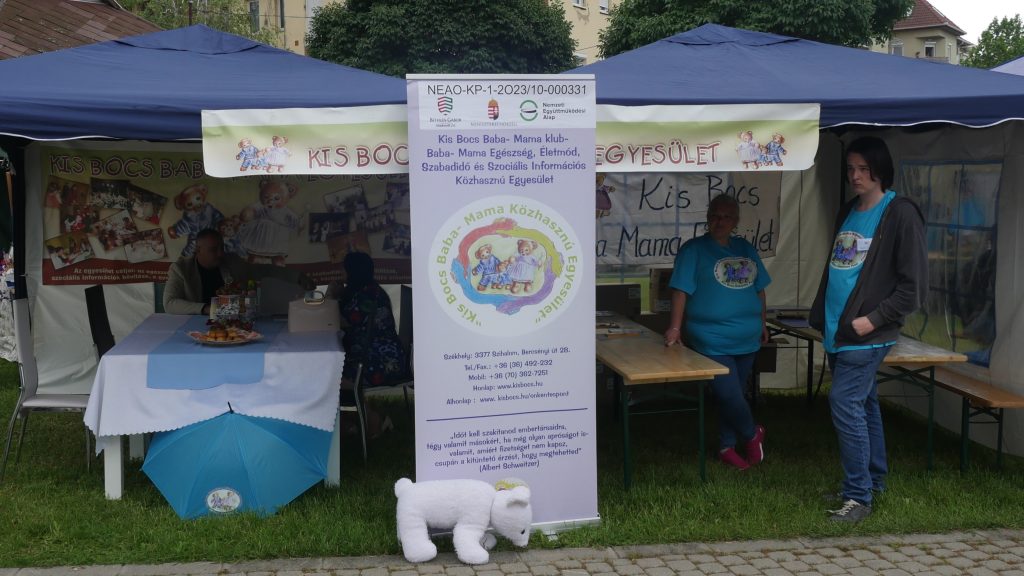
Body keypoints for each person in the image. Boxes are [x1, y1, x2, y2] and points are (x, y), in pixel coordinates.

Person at [809, 136, 927, 523]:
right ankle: (872, 483)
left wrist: (872, 320)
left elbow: (912, 287)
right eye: (850, 169)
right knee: (865, 405)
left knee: (844, 403)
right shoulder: (848, 210)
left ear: (880, 169)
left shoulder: (900, 213)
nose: (855, 176)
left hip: (867, 334)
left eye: (863, 168)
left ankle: (858, 497)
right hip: (838, 330)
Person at [663, 193, 771, 471]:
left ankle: (726, 446)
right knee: (728, 394)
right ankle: (752, 434)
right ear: (707, 217)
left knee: (733, 395)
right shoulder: (693, 250)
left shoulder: (745, 248)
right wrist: (675, 327)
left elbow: (759, 290)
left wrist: (762, 323)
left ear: (736, 221)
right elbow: (680, 291)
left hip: (747, 337)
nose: (719, 221)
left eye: (726, 217)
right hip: (711, 338)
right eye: (714, 215)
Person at [334, 252, 406, 437]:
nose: (341, 272)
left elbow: (338, 321)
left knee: (330, 374)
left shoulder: (366, 295)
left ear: (353, 271)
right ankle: (350, 421)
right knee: (329, 370)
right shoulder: (366, 290)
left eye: (343, 269)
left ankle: (373, 420)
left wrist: (331, 295)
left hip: (383, 361)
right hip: (375, 354)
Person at [163, 228, 315, 315]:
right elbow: (169, 303)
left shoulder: (232, 262)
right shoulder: (181, 269)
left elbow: (264, 270)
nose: (220, 254)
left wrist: (297, 276)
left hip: (232, 324)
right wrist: (207, 309)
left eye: (222, 248)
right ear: (198, 250)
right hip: (193, 326)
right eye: (213, 250)